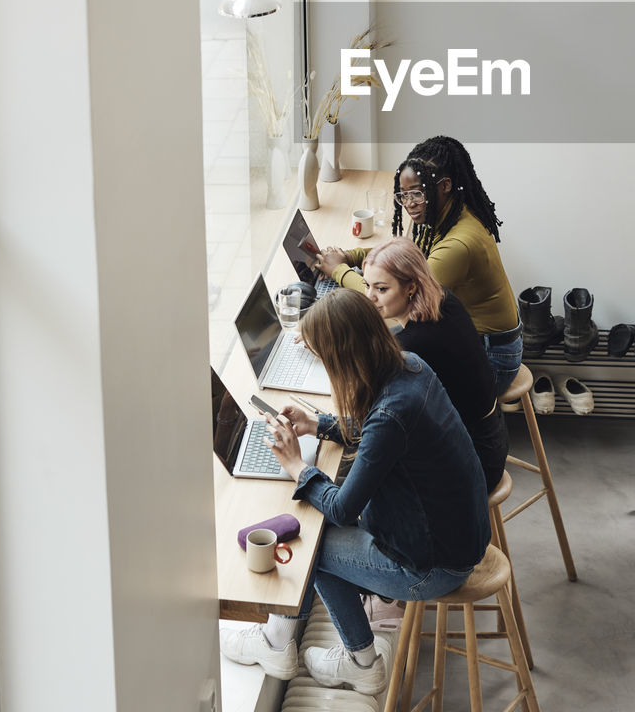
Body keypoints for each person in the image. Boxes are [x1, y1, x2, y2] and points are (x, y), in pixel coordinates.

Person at [219, 289, 491, 692]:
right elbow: (384, 437)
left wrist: (297, 465)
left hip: (432, 567)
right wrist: (320, 425)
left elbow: (343, 510)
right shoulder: (410, 368)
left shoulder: (389, 415)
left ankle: (352, 660)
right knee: (317, 531)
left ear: (342, 356)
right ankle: (287, 642)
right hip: (458, 539)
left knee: (314, 546)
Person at [316, 135, 522, 395]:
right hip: (471, 338)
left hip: (493, 358)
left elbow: (394, 296)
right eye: (404, 195)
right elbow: (405, 258)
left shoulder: (458, 245)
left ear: (445, 186)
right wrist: (352, 256)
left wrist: (338, 270)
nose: (410, 204)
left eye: (417, 193)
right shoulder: (444, 215)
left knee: (376, 373)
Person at [362, 236, 508, 492]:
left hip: (474, 464)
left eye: (381, 289)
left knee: (368, 466)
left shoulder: (415, 348)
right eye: (367, 285)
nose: (370, 297)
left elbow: (373, 412)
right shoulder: (443, 299)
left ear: (411, 287)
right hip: (491, 435)